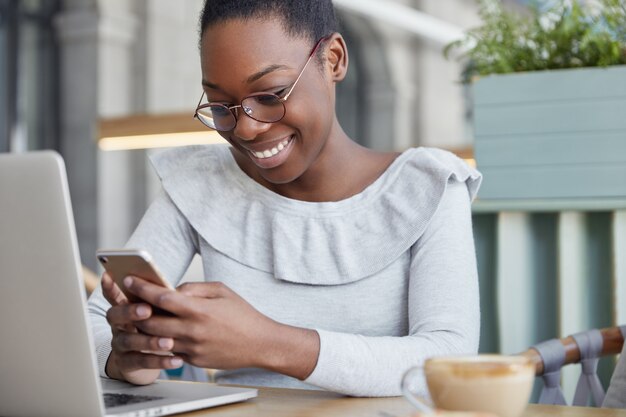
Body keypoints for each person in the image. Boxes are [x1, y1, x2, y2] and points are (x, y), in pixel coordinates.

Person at [88, 0, 482, 397]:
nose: (246, 129)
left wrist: (267, 343)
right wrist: (124, 358)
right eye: (222, 106)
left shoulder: (428, 187)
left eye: (271, 95)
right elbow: (91, 323)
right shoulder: (201, 182)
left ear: (333, 60)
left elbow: (449, 359)